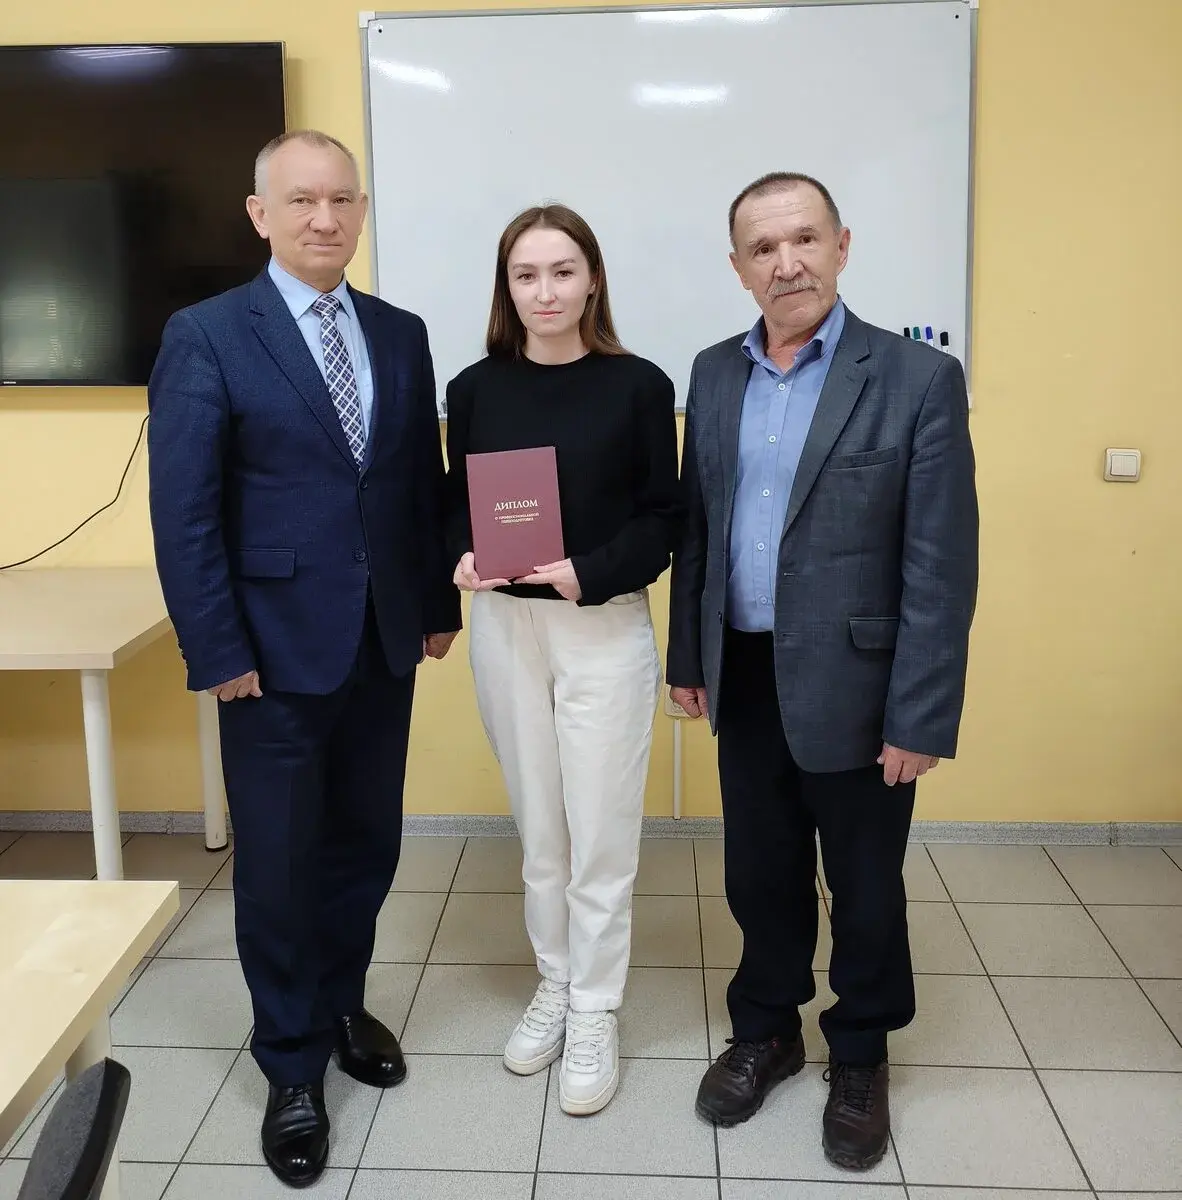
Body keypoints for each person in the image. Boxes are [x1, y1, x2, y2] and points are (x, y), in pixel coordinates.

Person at [146, 129, 460, 1187]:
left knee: (364, 846)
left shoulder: (401, 333)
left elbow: (415, 483)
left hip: (382, 643)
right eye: (301, 201)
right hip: (268, 657)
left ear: (360, 210)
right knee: (279, 866)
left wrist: (430, 606)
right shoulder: (206, 334)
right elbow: (184, 511)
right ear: (260, 215)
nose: (326, 219)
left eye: (342, 200)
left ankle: (339, 1006)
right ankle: (289, 1063)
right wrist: (215, 648)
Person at [667, 172, 978, 1169]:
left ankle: (860, 1051)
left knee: (865, 883)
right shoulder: (713, 373)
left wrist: (920, 715)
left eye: (804, 238)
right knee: (759, 874)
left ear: (842, 245)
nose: (787, 262)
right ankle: (766, 1031)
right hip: (745, 670)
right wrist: (688, 657)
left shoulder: (917, 378)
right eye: (763, 248)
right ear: (738, 268)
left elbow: (940, 562)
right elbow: (699, 529)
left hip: (862, 685)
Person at [443, 203, 681, 1115]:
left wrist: (593, 570)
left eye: (562, 271)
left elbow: (663, 517)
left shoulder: (638, 385)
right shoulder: (474, 389)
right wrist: (461, 555)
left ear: (592, 280)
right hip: (506, 629)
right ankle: (555, 978)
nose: (544, 291)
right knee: (540, 830)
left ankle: (595, 1006)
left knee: (601, 833)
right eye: (525, 275)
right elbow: (451, 504)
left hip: (603, 626)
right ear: (506, 288)